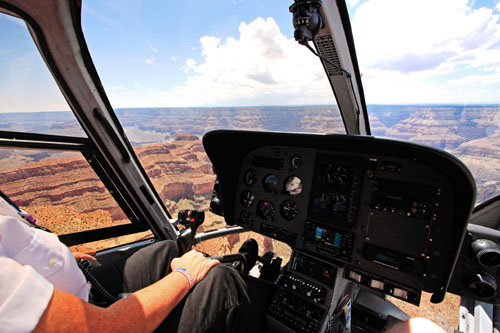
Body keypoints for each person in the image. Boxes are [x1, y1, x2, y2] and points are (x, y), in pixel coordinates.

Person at [0, 196, 251, 332]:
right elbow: (104, 328)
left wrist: (56, 256)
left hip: (80, 292)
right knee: (222, 283)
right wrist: (185, 275)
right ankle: (235, 281)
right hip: (99, 318)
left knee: (167, 250)